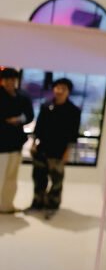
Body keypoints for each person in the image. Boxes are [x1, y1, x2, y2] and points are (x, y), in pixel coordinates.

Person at [27, 78, 81, 218]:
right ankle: (37, 203)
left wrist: (67, 152)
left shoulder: (73, 111)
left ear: (68, 91)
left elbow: (73, 134)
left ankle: (52, 205)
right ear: (53, 89)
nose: (60, 91)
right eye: (57, 87)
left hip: (58, 151)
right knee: (38, 178)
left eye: (63, 88)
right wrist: (33, 143)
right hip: (42, 149)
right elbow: (39, 127)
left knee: (56, 181)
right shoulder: (46, 106)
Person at [0, 67, 34, 214]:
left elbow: (30, 115)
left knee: (11, 177)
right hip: (1, 144)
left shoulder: (23, 96)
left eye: (13, 79)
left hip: (15, 143)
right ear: (2, 80)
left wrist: (18, 119)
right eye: (7, 79)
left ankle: (6, 205)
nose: (10, 82)